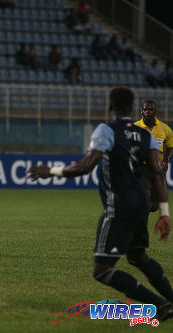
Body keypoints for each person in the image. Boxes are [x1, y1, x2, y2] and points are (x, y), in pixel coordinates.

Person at [28, 87, 173, 321]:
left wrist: (50, 171)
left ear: (110, 107)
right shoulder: (146, 135)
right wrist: (164, 212)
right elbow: (157, 172)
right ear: (132, 107)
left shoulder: (107, 130)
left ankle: (160, 304)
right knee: (137, 257)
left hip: (119, 205)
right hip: (141, 204)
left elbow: (85, 166)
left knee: (102, 270)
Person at [134, 100, 173, 212]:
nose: (147, 111)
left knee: (154, 206)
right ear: (141, 111)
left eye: (150, 109)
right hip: (142, 167)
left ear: (155, 112)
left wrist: (166, 159)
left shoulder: (164, 128)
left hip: (158, 168)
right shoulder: (135, 127)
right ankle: (140, 228)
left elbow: (171, 146)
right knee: (145, 201)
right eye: (145, 109)